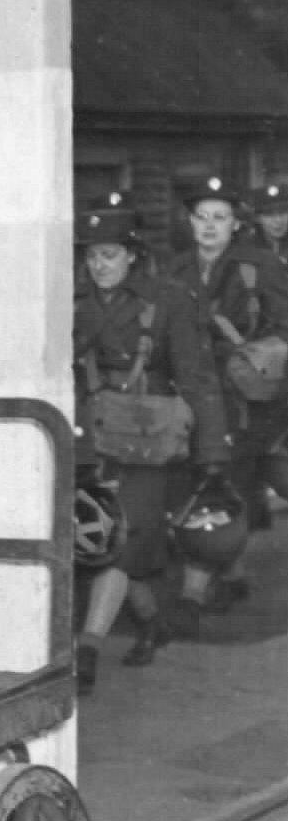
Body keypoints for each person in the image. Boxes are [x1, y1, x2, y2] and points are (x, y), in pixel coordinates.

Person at [72, 206, 228, 692]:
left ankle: (88, 649)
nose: (99, 265)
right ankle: (150, 621)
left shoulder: (167, 301)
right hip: (88, 435)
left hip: (146, 440)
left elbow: (198, 381)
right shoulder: (71, 299)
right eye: (92, 256)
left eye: (109, 255)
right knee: (103, 542)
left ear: (132, 256)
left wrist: (211, 453)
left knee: (120, 540)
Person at [161, 174, 288, 633]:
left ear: (236, 223)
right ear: (190, 222)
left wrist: (257, 356)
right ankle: (228, 574)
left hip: (245, 399)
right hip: (191, 393)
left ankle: (193, 594)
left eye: (220, 217)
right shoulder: (174, 269)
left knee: (225, 479)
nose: (210, 226)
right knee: (203, 481)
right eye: (202, 217)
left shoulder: (259, 266)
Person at [253, 183, 288, 263]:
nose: (278, 220)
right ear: (257, 218)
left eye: (283, 212)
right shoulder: (246, 250)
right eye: (270, 214)